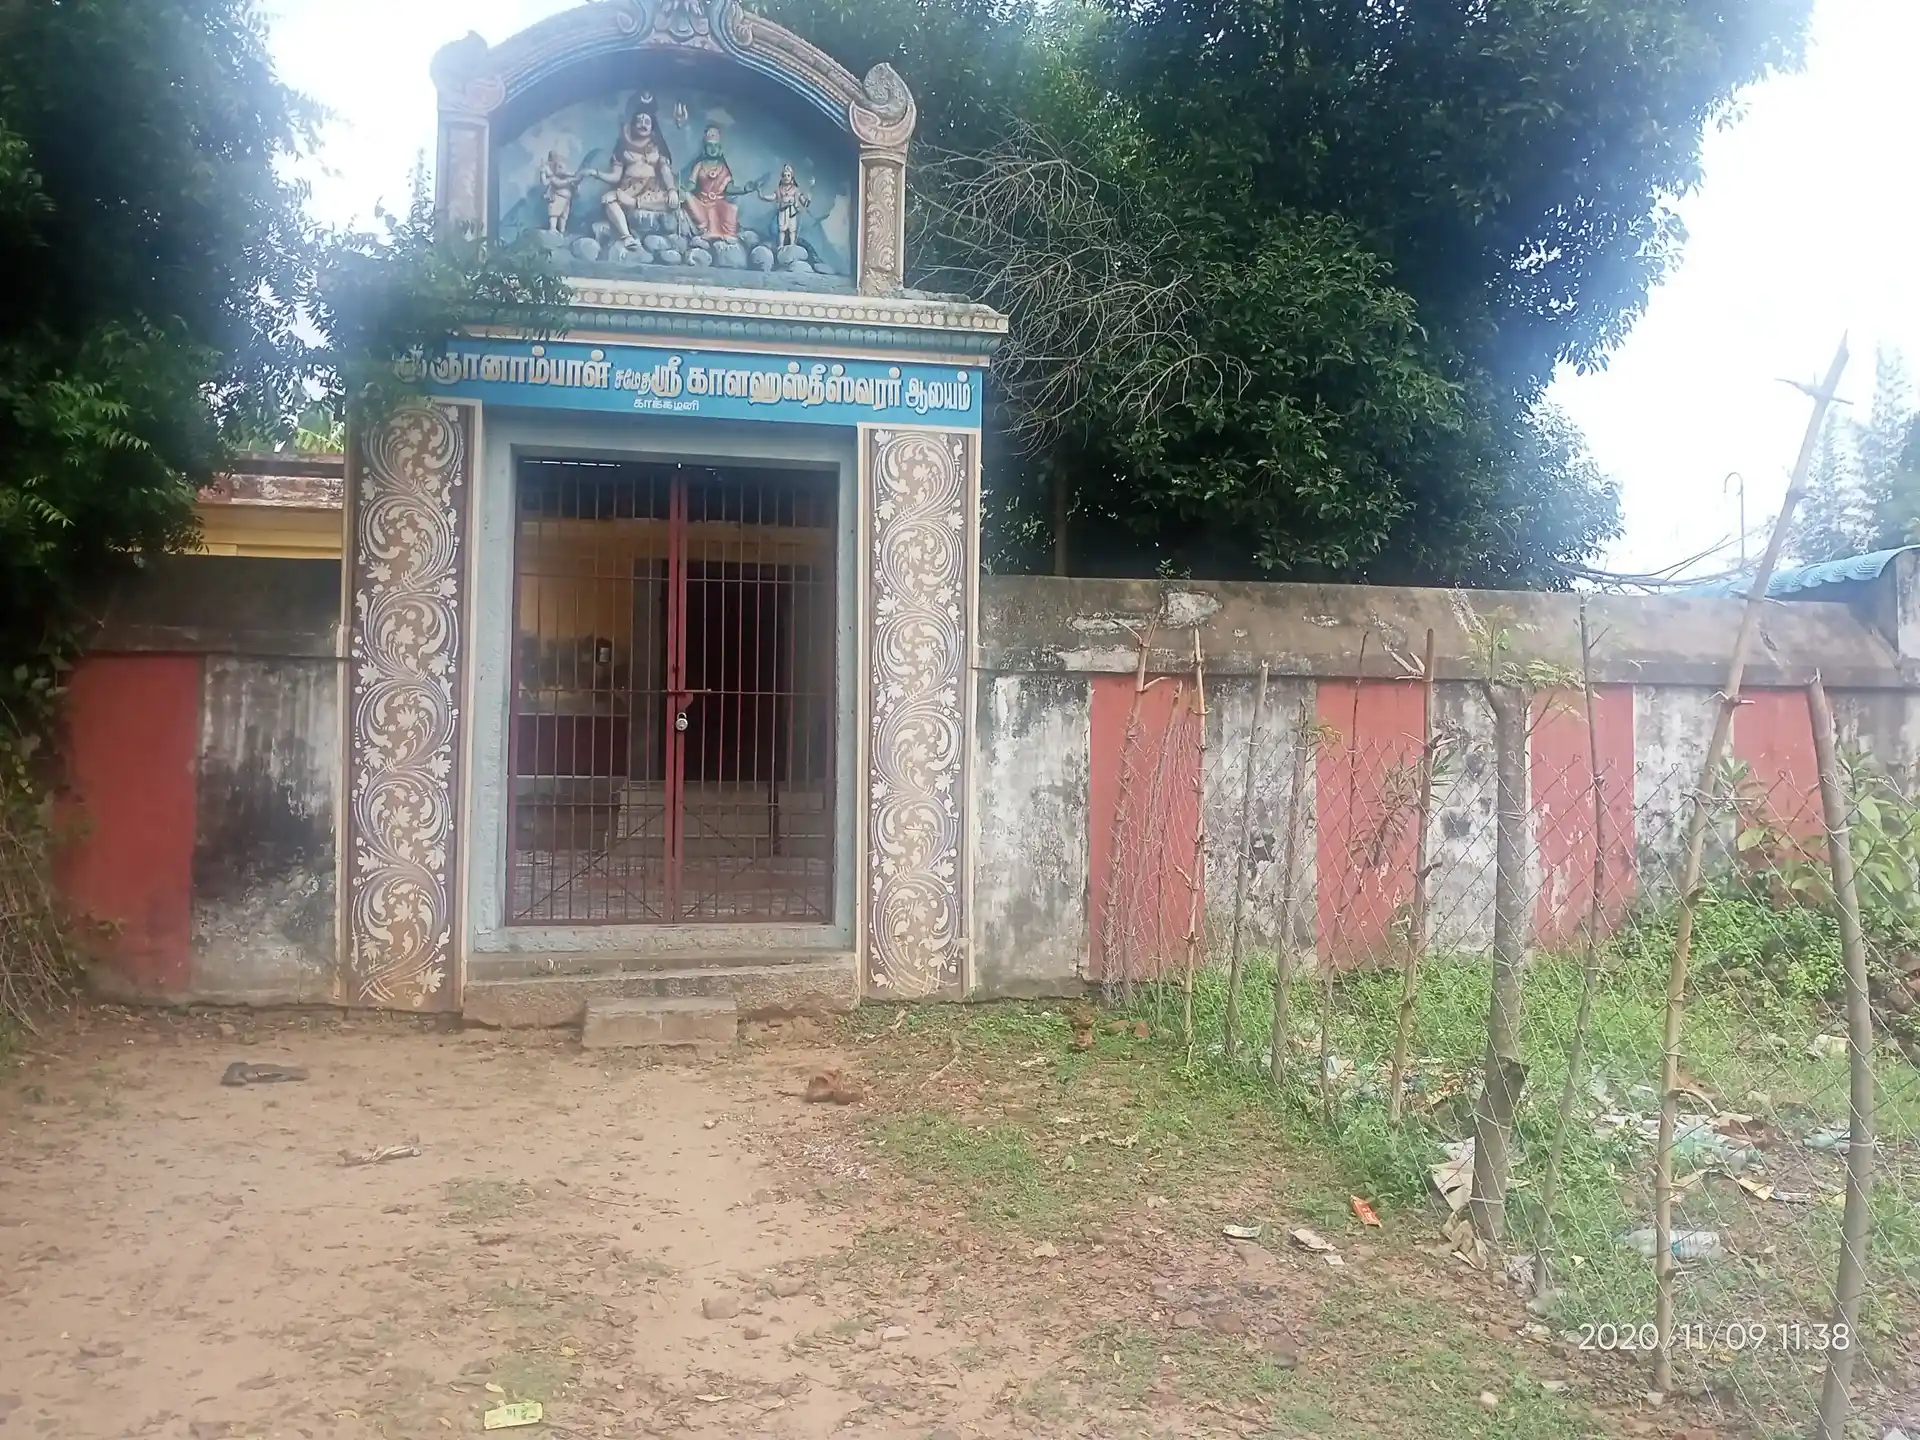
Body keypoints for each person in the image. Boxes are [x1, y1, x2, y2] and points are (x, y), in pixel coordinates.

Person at [591, 103, 680, 245]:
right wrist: (595, 173)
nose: (643, 125)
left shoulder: (657, 146)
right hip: (628, 189)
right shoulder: (623, 147)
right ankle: (626, 237)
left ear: (652, 126)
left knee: (673, 201)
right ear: (632, 125)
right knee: (608, 200)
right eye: (639, 121)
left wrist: (671, 190)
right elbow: (615, 177)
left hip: (652, 191)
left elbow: (665, 170)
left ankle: (635, 204)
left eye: (647, 122)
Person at [682, 124, 747, 240]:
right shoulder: (699, 165)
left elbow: (729, 188)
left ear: (720, 150)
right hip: (702, 203)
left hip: (719, 204)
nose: (713, 149)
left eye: (716, 146)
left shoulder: (723, 168)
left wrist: (745, 189)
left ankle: (724, 234)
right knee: (688, 198)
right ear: (704, 148)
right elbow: (691, 185)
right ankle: (705, 230)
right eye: (710, 146)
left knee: (731, 209)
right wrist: (682, 189)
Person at [761, 164, 809, 250]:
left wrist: (806, 201)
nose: (786, 177)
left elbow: (802, 200)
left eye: (788, 175)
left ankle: (792, 246)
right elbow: (773, 196)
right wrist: (763, 197)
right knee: (782, 229)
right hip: (782, 211)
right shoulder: (779, 189)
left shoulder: (795, 189)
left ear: (792, 177)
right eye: (784, 175)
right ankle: (781, 245)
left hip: (792, 212)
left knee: (792, 230)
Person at [538, 150, 580, 234]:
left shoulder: (567, 177)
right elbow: (556, 183)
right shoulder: (553, 178)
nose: (562, 169)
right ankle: (553, 228)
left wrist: (574, 182)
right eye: (559, 167)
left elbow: (572, 182)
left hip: (567, 199)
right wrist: (543, 172)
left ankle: (562, 230)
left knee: (563, 216)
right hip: (558, 196)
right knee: (554, 212)